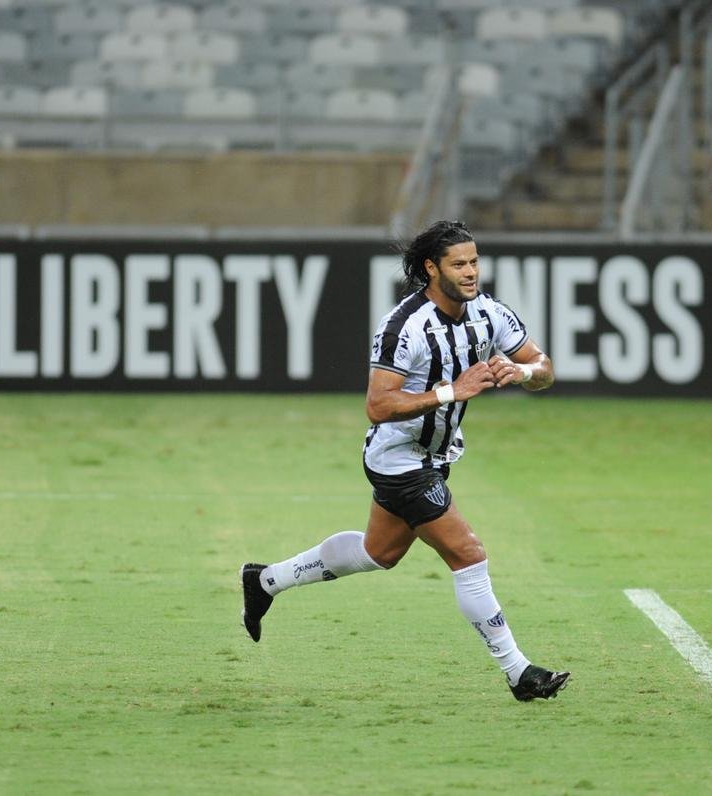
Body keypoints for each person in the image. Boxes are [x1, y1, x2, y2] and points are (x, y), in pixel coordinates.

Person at [240, 220, 569, 702]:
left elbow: (545, 369)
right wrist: (450, 391)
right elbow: (378, 405)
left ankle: (265, 580)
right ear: (431, 268)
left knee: (381, 553)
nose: (471, 271)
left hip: (435, 455)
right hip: (398, 458)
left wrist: (520, 371)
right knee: (468, 553)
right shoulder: (403, 326)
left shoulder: (490, 313)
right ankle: (520, 673)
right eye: (459, 264)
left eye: (475, 261)